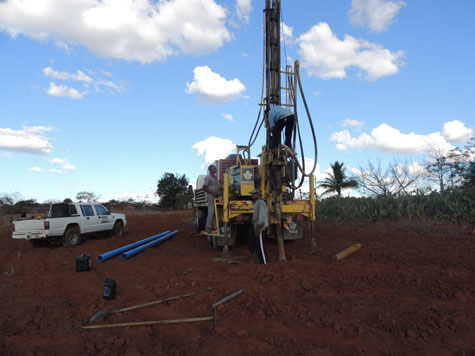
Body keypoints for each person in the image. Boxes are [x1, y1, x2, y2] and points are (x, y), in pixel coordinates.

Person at [248, 188, 268, 264]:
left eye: (254, 194)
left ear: (258, 195)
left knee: (261, 247)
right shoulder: (257, 203)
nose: (252, 195)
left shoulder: (260, 202)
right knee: (258, 245)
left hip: (260, 228)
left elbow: (262, 216)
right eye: (252, 194)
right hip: (257, 227)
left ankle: (264, 262)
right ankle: (261, 261)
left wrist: (259, 227)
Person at [202, 165, 220, 232]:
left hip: (216, 196)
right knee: (211, 211)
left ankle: (214, 226)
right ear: (211, 170)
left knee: (215, 212)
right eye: (214, 168)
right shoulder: (208, 177)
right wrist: (213, 192)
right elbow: (204, 187)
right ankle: (208, 227)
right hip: (211, 196)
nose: (216, 169)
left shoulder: (215, 178)